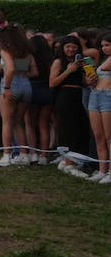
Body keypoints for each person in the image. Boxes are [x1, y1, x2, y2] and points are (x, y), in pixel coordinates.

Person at [49, 35, 90, 178]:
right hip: (65, 97)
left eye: (74, 47)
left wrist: (87, 74)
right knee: (69, 129)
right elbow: (52, 83)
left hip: (79, 96)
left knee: (80, 128)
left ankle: (73, 160)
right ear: (63, 48)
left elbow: (85, 83)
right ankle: (68, 162)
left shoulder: (81, 62)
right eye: (68, 47)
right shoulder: (58, 62)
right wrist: (68, 70)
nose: (71, 49)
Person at [0, 25, 36, 167]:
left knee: (7, 122)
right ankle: (24, 155)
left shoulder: (6, 51)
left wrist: (6, 87)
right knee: (19, 122)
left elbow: (10, 68)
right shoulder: (25, 51)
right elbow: (29, 70)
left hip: (11, 85)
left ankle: (7, 155)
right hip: (26, 85)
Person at [89, 32, 111, 184]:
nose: (104, 48)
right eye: (102, 45)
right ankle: (102, 170)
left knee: (109, 137)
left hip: (108, 97)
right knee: (99, 136)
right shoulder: (104, 59)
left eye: (107, 45)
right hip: (95, 95)